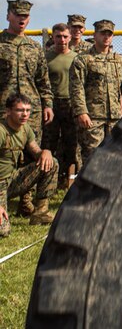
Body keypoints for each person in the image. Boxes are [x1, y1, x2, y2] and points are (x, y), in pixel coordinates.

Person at [0, 0, 54, 216]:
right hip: (4, 110)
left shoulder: (34, 47)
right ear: (8, 16)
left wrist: (48, 104)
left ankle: (28, 203)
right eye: (17, 15)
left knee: (35, 155)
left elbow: (43, 80)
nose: (22, 19)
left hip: (31, 111)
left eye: (26, 16)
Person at [70, 20, 122, 164]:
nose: (106, 37)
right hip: (92, 118)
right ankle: (88, 187)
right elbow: (77, 88)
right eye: (102, 33)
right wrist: (81, 112)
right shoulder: (83, 59)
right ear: (95, 35)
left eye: (109, 34)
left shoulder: (120, 61)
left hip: (115, 118)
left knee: (115, 156)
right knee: (92, 158)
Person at [0, 93, 59, 237]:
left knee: (51, 163)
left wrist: (45, 152)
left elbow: (35, 151)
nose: (25, 114)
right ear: (8, 111)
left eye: (27, 110)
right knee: (3, 231)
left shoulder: (25, 128)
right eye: (20, 110)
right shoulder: (1, 130)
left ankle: (41, 213)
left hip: (12, 180)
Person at [42, 23, 80, 190]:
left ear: (70, 37)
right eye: (58, 36)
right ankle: (49, 182)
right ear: (53, 37)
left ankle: (69, 181)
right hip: (51, 105)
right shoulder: (45, 57)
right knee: (49, 144)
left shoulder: (77, 58)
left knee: (71, 144)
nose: (62, 40)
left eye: (65, 36)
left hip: (70, 104)